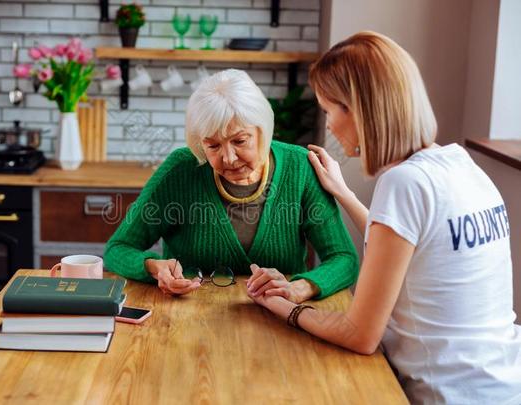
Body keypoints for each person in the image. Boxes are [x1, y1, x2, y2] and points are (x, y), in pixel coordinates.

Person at [249, 31, 521, 404]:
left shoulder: (403, 183)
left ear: (360, 109)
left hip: (449, 394)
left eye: (330, 110)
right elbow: (407, 249)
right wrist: (343, 193)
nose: (328, 125)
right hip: (501, 384)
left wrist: (287, 309)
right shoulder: (462, 167)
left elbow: (361, 335)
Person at [104, 69, 358, 302]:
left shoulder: (300, 168)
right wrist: (153, 267)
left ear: (263, 130)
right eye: (213, 146)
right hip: (185, 321)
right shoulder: (180, 170)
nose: (228, 158)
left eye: (239, 141)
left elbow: (344, 259)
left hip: (279, 319)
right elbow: (117, 249)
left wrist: (300, 287)